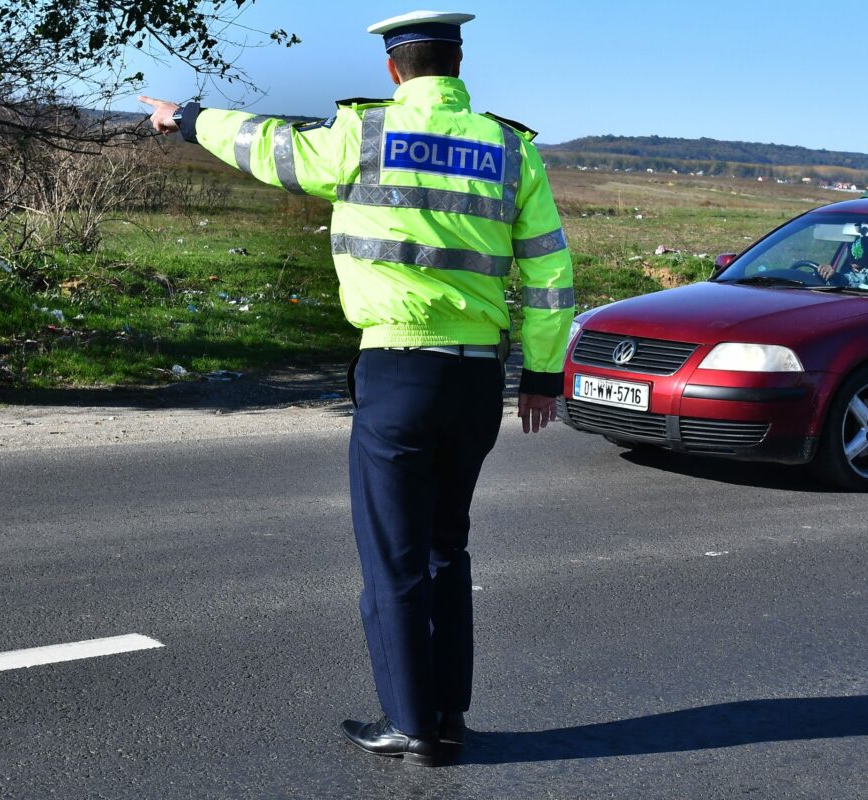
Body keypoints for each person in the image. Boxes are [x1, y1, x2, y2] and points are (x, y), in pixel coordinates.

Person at [141, 9, 575, 768]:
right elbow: (548, 272)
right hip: (477, 379)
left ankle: (411, 725)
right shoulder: (512, 150)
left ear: (393, 69)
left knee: (396, 558)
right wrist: (542, 371)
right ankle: (446, 715)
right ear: (459, 61)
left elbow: (268, 148)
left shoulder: (364, 135)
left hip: (400, 371)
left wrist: (189, 119)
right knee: (447, 550)